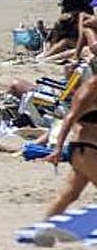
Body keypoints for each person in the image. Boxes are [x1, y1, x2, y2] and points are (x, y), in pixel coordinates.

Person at [44, 75, 97, 216]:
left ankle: (43, 230)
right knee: (68, 195)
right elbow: (70, 117)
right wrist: (58, 149)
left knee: (69, 195)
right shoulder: (92, 86)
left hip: (85, 151)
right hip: (86, 149)